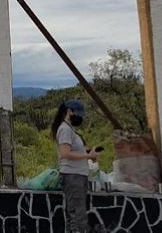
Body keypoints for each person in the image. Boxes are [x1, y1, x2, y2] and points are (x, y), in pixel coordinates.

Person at [50, 99, 98, 233]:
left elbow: (74, 151)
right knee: (78, 215)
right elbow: (65, 153)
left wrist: (89, 153)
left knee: (76, 215)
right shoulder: (65, 129)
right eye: (79, 114)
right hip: (73, 176)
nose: (80, 117)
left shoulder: (70, 130)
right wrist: (88, 156)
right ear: (69, 112)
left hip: (78, 176)